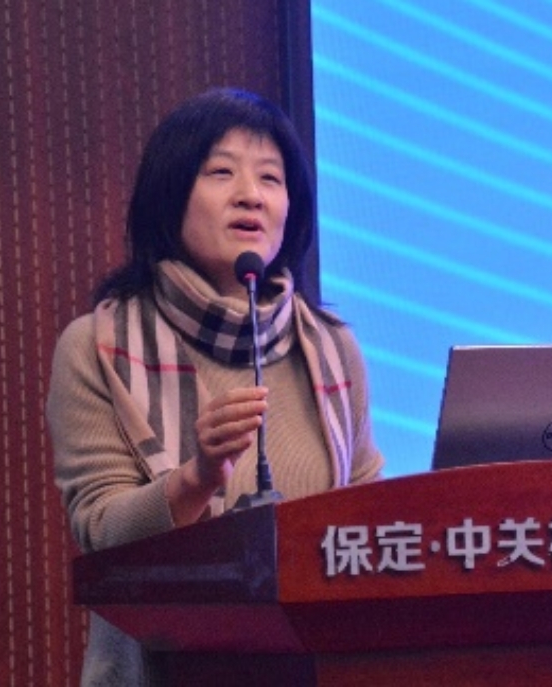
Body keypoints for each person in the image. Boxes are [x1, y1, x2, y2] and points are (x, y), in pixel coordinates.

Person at [46, 86, 384, 685]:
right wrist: (197, 477)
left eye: (271, 178)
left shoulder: (333, 352)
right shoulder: (98, 348)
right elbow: (101, 536)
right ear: (170, 194)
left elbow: (368, 524)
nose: (250, 194)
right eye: (221, 172)